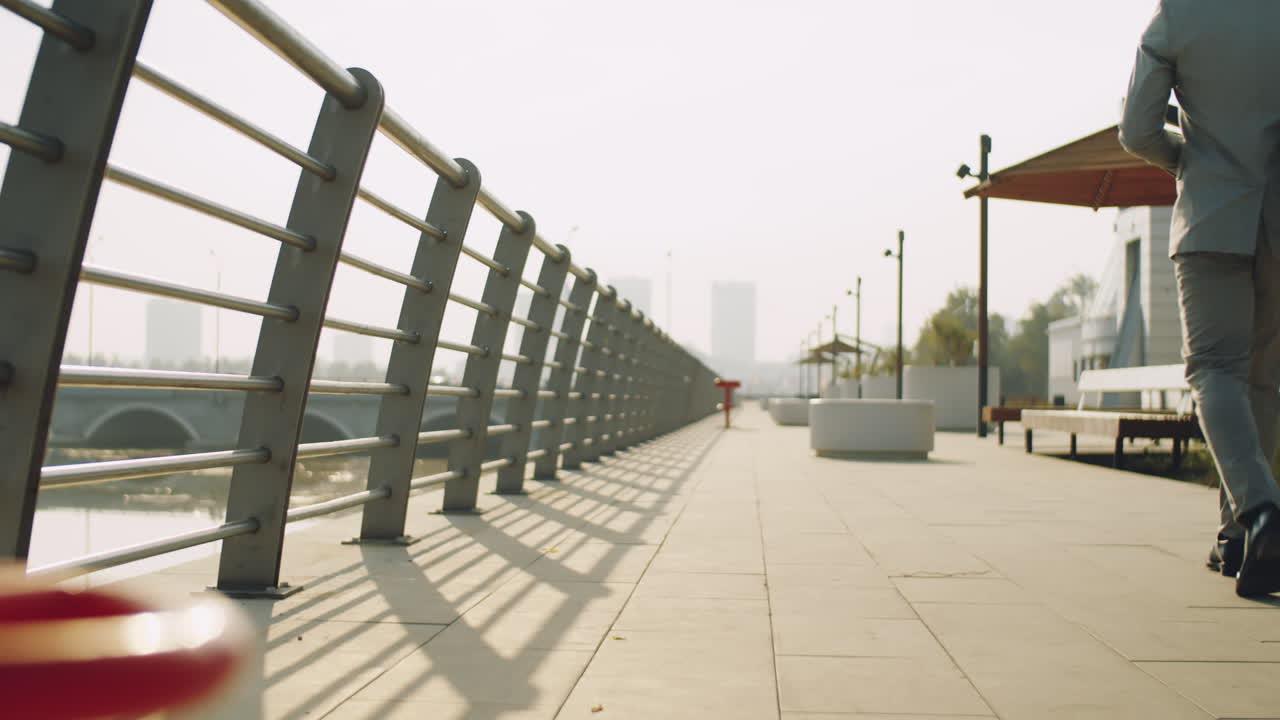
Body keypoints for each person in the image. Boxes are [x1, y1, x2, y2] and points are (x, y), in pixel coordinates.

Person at [1119, 0, 1280, 597]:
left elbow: (1136, 130)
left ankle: (1262, 513)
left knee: (1215, 371)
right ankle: (1239, 540)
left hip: (1213, 216)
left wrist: (1185, 161)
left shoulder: (1178, 14)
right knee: (1261, 380)